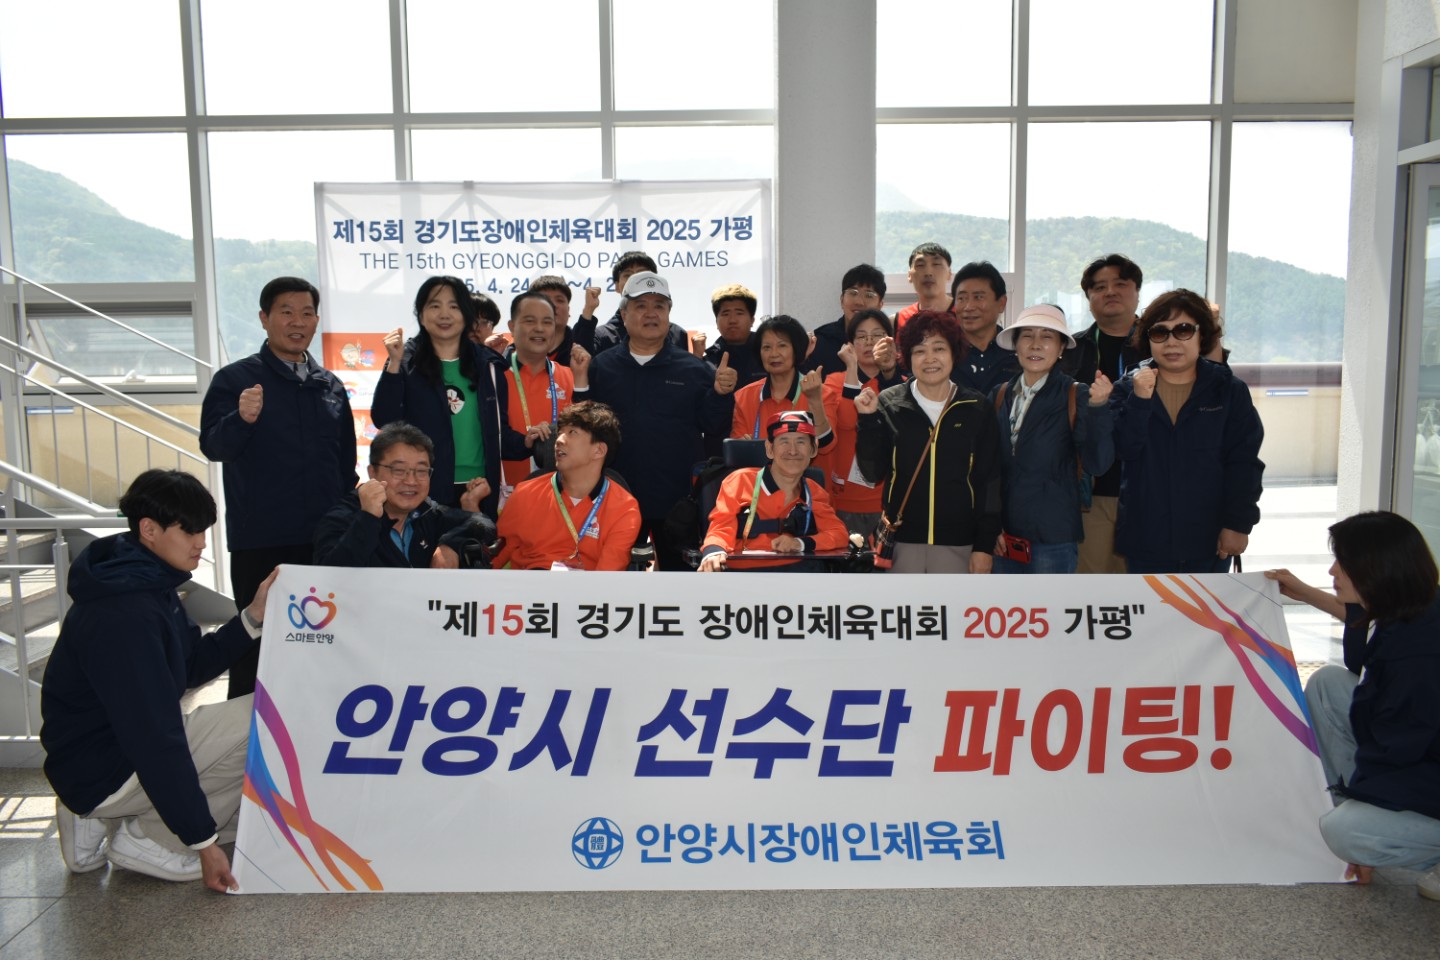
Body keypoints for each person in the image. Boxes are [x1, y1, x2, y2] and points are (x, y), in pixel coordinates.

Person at [40, 469, 278, 891]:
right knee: (266, 721)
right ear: (149, 529)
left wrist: (252, 618)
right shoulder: (125, 614)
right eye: (189, 531)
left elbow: (189, 668)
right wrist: (201, 841)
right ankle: (149, 841)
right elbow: (154, 736)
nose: (201, 543)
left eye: (203, 531)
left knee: (243, 783)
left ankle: (94, 811)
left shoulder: (141, 578)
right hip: (106, 762)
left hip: (94, 753)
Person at [1266, 511, 1440, 899]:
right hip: (1417, 750)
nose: (1332, 571)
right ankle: (1357, 808)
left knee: (1343, 832)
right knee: (1328, 683)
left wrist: (1369, 801)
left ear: (1375, 569)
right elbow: (1364, 622)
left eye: (1342, 563)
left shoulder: (1417, 653)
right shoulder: (1410, 608)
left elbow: (1398, 748)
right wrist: (1306, 593)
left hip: (1423, 763)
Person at [199, 276, 355, 699]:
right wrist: (241, 419)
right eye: (286, 312)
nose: (297, 322)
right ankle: (242, 734)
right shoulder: (236, 380)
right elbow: (214, 447)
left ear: (317, 320)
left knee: (323, 643)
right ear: (264, 318)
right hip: (261, 542)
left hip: (324, 543)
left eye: (306, 313)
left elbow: (344, 468)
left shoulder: (330, 385)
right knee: (256, 645)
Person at [579, 271, 737, 570]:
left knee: (679, 586)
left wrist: (720, 394)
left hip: (677, 504)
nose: (651, 313)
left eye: (659, 306)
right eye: (641, 306)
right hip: (615, 498)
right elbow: (587, 431)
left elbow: (714, 426)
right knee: (613, 583)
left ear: (668, 314)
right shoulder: (602, 367)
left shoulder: (694, 369)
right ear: (624, 315)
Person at [1110, 288, 1264, 573]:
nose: (1171, 342)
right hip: (1146, 537)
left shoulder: (1228, 390)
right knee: (1150, 605)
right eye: (1160, 332)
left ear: (1201, 335)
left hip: (1209, 536)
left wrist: (1238, 524)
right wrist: (1140, 401)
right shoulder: (1127, 388)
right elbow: (1123, 449)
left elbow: (1244, 463)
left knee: (1206, 605)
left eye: (1183, 330)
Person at [854, 310, 1001, 573]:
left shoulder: (976, 407)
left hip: (959, 544)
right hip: (901, 542)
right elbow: (871, 472)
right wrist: (867, 421)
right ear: (908, 357)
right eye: (920, 350)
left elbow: (990, 482)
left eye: (939, 348)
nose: (930, 358)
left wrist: (984, 546)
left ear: (954, 353)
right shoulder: (889, 403)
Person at [372, 275, 525, 517]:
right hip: (421, 486)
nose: (444, 314)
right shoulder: (405, 362)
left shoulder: (488, 366)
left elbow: (498, 431)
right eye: (435, 306)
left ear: (466, 315)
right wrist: (394, 364)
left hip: (478, 488)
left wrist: (528, 442)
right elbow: (385, 419)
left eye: (454, 306)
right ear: (421, 315)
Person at [988, 305, 1114, 574]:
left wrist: (1099, 408)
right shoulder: (999, 395)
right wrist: (989, 524)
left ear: (1060, 348)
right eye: (1027, 336)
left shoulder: (1076, 394)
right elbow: (985, 467)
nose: (1035, 344)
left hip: (1053, 538)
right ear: (1015, 345)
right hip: (1002, 537)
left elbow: (1098, 463)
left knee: (1050, 603)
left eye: (1047, 336)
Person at [1061, 254, 1146, 574]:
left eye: (1120, 284)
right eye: (1099, 287)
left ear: (1137, 291)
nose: (1109, 292)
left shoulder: (1160, 346)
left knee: (1144, 590)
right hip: (1090, 494)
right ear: (1088, 298)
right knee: (1091, 590)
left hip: (1148, 490)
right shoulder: (1071, 350)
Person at [313, 422, 495, 568]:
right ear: (372, 472)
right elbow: (329, 577)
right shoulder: (343, 517)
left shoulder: (426, 512)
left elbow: (483, 523)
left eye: (421, 471)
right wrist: (368, 518)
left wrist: (450, 545)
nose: (411, 481)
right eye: (399, 470)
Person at [493, 401, 642, 571]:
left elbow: (606, 577)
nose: (559, 440)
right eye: (560, 433)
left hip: (586, 586)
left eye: (572, 433)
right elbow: (494, 559)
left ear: (599, 451)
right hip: (529, 584)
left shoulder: (624, 508)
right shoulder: (524, 493)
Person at [698, 411, 848, 572]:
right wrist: (714, 552)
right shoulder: (741, 481)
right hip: (743, 574)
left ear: (813, 449)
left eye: (801, 442)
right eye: (784, 441)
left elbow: (839, 534)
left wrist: (800, 544)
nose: (793, 451)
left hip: (797, 572)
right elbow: (721, 528)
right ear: (770, 449)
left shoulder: (814, 490)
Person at [821, 307, 904, 540]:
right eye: (861, 336)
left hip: (888, 499)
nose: (869, 342)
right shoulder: (834, 381)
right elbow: (848, 420)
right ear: (850, 344)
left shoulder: (900, 384)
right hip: (844, 499)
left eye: (877, 335)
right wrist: (851, 369)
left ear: (890, 342)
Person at [500, 291, 579, 495]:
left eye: (547, 322)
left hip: (559, 494)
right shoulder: (495, 376)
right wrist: (524, 441)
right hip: (505, 494)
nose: (539, 329)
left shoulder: (568, 376)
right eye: (529, 321)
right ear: (512, 326)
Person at [730, 315, 833, 452]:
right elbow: (737, 451)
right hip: (759, 467)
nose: (774, 354)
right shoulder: (744, 397)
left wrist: (815, 402)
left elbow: (826, 447)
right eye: (767, 347)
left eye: (782, 345)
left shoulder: (822, 393)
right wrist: (742, 447)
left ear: (796, 349)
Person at [573, 251, 693, 356]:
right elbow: (580, 362)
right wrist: (588, 311)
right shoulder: (603, 335)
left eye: (642, 273)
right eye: (628, 275)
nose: (635, 279)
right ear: (616, 286)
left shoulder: (677, 334)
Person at [803, 264, 887, 378]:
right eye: (853, 293)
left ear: (880, 305)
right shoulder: (820, 342)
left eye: (869, 295)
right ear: (842, 300)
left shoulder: (887, 343)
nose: (859, 302)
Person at [950, 261, 1020, 397]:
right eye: (962, 298)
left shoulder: (1017, 352)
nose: (968, 307)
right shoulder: (942, 352)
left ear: (1001, 303)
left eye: (978, 297)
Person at [704, 283, 765, 390]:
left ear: (752, 320)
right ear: (716, 322)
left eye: (739, 313)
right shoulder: (709, 360)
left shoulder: (768, 353)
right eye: (725, 314)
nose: (732, 320)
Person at [894, 243, 953, 333]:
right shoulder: (898, 320)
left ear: (949, 273)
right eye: (920, 265)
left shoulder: (964, 314)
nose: (928, 272)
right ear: (909, 275)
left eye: (936, 264)